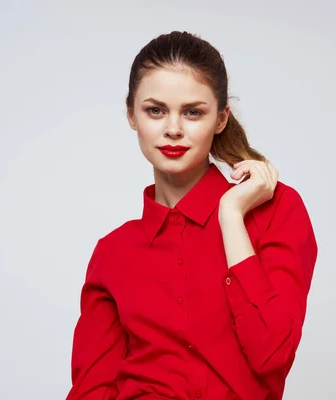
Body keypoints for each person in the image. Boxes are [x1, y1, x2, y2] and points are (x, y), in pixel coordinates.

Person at [66, 31, 318, 400]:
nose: (173, 129)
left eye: (193, 112)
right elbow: (91, 389)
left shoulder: (276, 211)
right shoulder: (113, 252)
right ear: (131, 115)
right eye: (155, 110)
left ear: (220, 119)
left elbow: (272, 355)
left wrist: (231, 215)